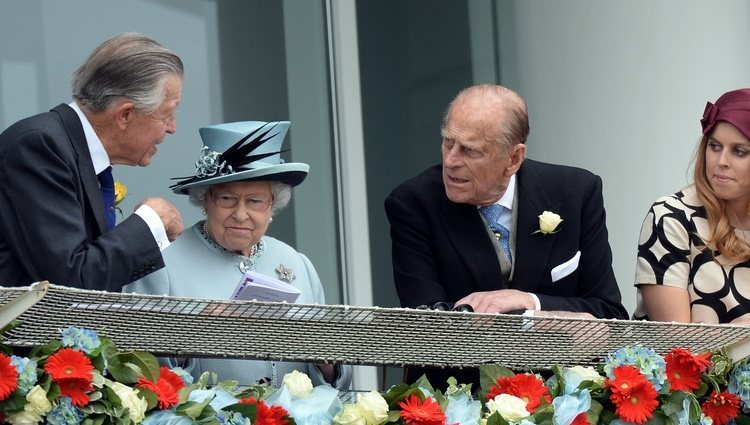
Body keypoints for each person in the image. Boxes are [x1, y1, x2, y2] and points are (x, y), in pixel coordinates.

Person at [384, 83, 627, 387]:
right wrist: (559, 323)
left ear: (513, 159)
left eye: (470, 150)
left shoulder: (576, 192)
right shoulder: (414, 203)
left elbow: (610, 318)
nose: (451, 160)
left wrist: (528, 302)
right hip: (462, 397)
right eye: (448, 142)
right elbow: (431, 328)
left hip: (567, 394)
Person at [125, 121, 352, 390]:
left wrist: (326, 362)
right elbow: (135, 371)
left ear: (273, 206)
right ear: (205, 199)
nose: (241, 214)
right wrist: (192, 337)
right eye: (227, 199)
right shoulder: (161, 264)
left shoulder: (297, 264)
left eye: (255, 201)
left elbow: (336, 385)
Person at [0, 32, 184, 291]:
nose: (173, 128)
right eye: (166, 115)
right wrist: (150, 222)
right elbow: (70, 283)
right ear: (125, 114)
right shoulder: (40, 147)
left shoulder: (68, 148)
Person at [635, 88, 750, 324]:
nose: (721, 162)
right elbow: (679, 346)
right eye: (714, 146)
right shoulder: (671, 216)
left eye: (739, 151)